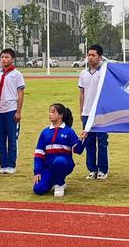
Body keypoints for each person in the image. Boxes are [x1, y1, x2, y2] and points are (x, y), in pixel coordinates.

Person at [33, 103, 85, 197]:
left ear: (61, 115)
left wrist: (82, 140)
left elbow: (78, 150)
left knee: (60, 161)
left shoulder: (69, 131)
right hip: (48, 167)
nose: (50, 114)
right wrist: (37, 171)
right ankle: (55, 180)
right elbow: (39, 154)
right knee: (38, 189)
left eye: (53, 112)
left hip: (64, 164)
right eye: (49, 112)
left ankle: (60, 184)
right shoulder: (45, 132)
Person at [0, 48, 25, 174]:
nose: (4, 59)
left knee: (11, 138)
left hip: (11, 109)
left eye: (7, 57)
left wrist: (18, 111)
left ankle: (11, 164)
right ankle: (3, 164)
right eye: (2, 57)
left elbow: (20, 93)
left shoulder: (17, 74)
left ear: (12, 59)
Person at [78, 44, 109, 180]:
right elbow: (82, 92)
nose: (90, 58)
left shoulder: (104, 73)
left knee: (102, 142)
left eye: (93, 55)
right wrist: (81, 110)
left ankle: (103, 169)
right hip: (87, 113)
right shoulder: (83, 74)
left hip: (101, 113)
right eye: (88, 55)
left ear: (100, 57)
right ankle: (92, 169)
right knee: (88, 142)